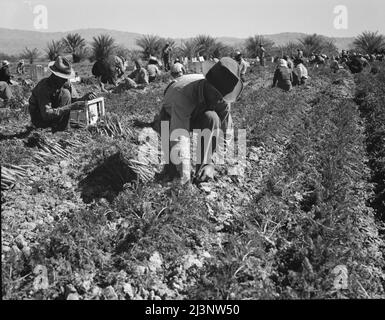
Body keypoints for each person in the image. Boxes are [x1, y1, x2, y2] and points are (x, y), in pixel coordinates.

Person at [152, 57, 243, 184]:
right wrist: (185, 175)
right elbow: (180, 136)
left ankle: (203, 169)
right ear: (207, 84)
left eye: (221, 96)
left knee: (212, 118)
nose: (219, 99)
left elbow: (226, 132)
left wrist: (212, 162)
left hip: (198, 113)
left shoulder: (222, 99)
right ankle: (171, 172)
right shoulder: (183, 94)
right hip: (171, 115)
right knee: (174, 171)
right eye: (216, 94)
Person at [28, 56, 97, 131]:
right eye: (62, 77)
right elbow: (46, 114)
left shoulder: (65, 83)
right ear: (55, 75)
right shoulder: (44, 87)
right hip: (40, 120)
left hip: (56, 117)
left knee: (66, 93)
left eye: (66, 77)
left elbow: (73, 101)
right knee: (66, 94)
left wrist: (83, 98)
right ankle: (58, 127)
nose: (65, 80)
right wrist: (71, 107)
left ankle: (61, 126)